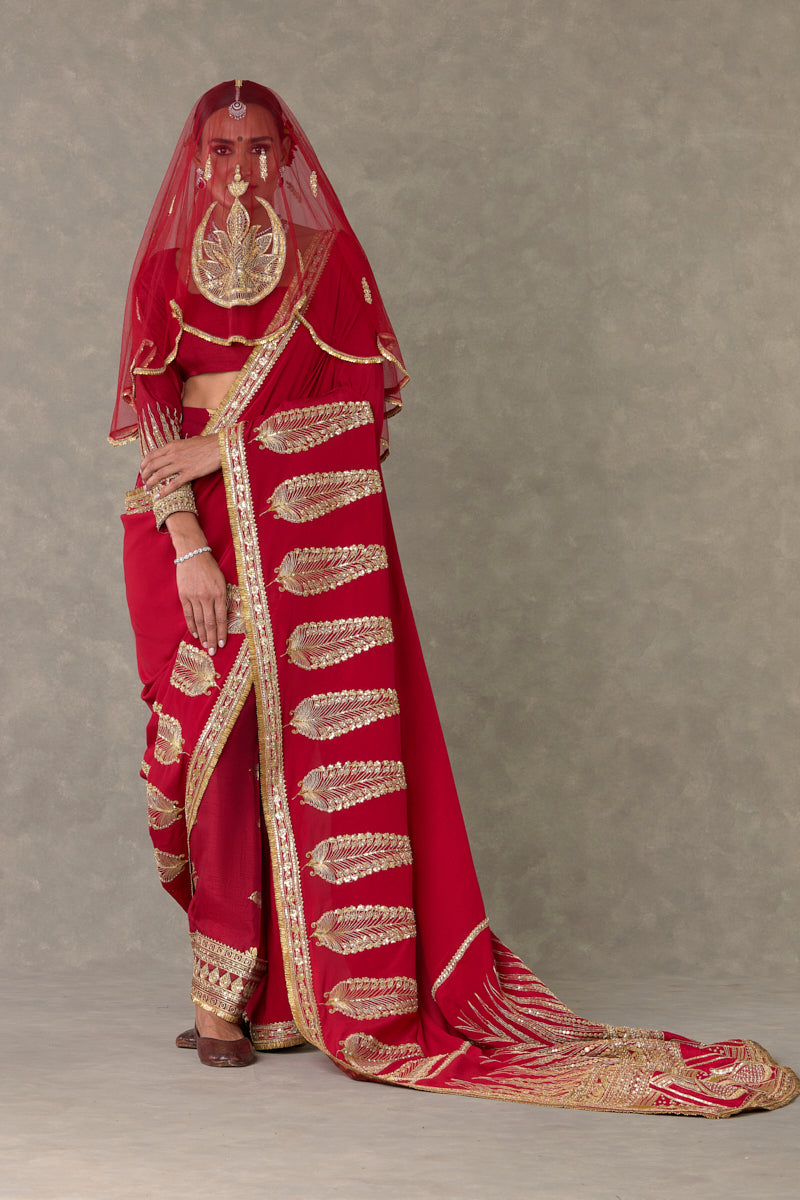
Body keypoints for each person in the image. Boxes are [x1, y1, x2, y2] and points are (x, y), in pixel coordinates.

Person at [114, 79, 798, 1113]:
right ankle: (232, 988)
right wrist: (185, 543)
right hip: (188, 537)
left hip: (296, 535)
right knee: (208, 755)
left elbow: (355, 413)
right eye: (221, 148)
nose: (240, 169)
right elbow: (156, 413)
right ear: (196, 160)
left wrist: (232, 448)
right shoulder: (165, 273)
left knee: (288, 746)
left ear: (286, 156)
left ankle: (265, 1002)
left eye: (259, 148)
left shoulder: (327, 266)